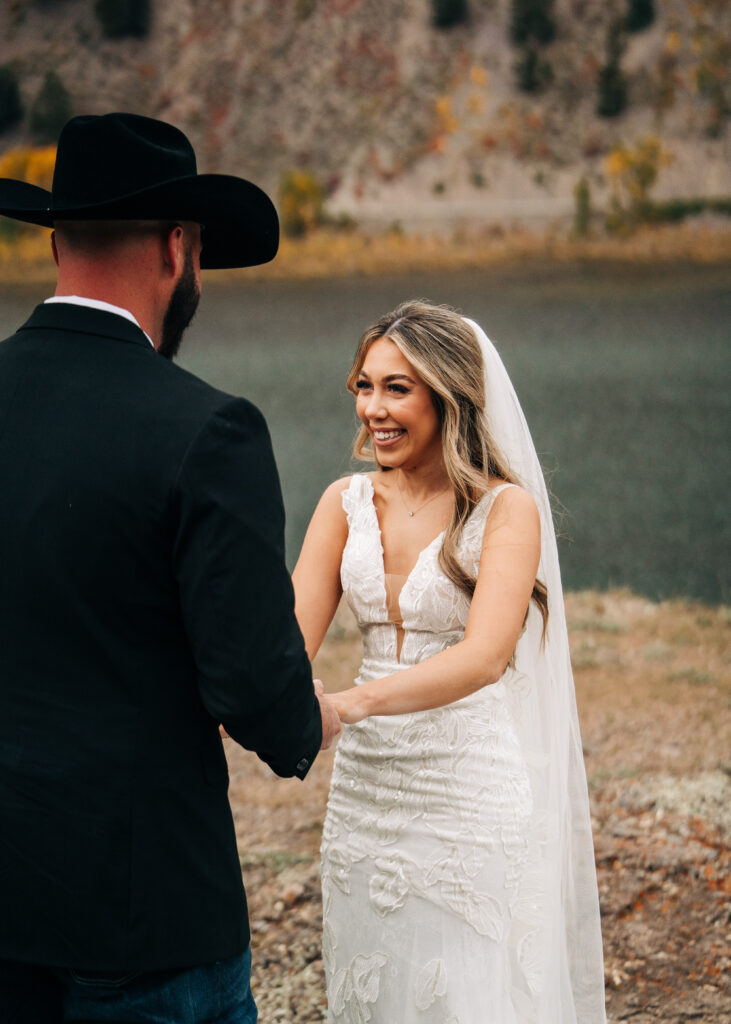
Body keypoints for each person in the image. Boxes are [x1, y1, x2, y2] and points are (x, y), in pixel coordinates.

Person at [0, 112, 341, 1024]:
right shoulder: (208, 429)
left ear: (59, 239)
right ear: (178, 247)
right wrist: (307, 722)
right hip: (142, 916)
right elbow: (250, 685)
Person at [293, 300, 606, 1022]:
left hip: (466, 791)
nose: (373, 408)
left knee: (467, 993)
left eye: (396, 388)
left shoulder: (505, 511)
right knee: (374, 987)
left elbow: (483, 657)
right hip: (366, 797)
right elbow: (285, 642)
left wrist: (345, 706)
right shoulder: (341, 504)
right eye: (364, 386)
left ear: (449, 396)